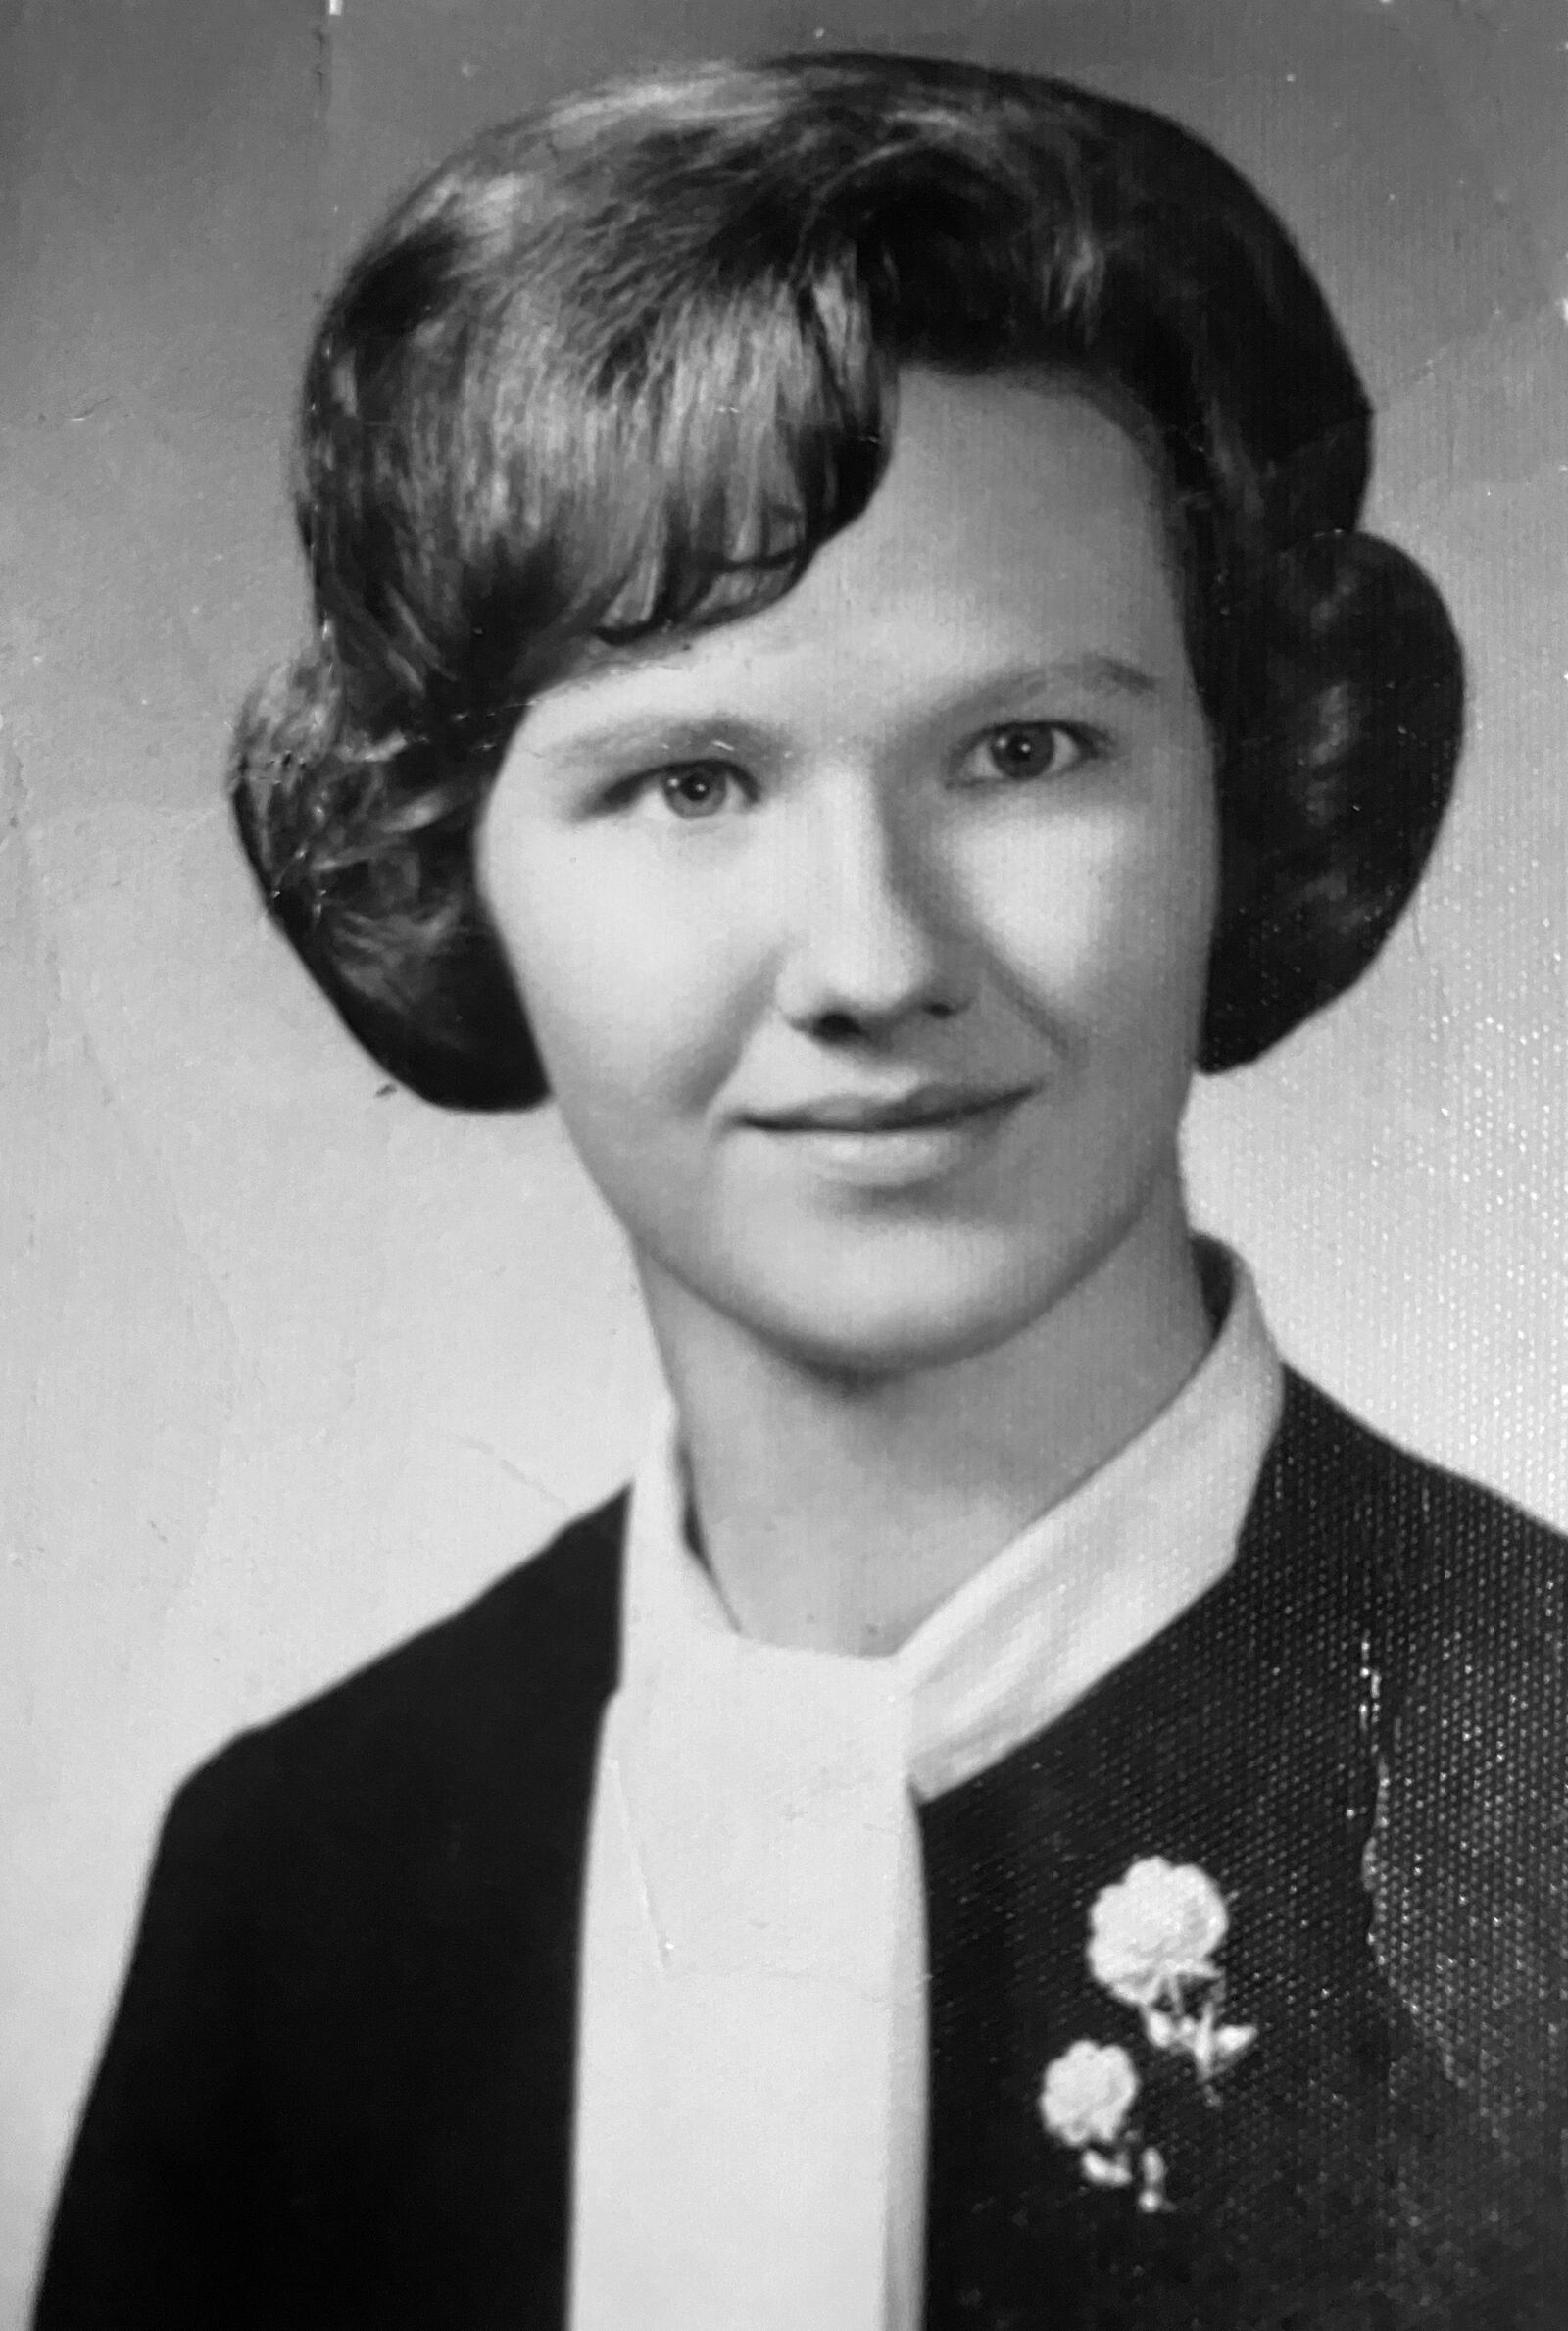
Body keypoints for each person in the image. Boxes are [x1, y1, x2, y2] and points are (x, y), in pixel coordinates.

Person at [33, 49, 1568, 2331]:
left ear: (1254, 785)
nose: (869, 959)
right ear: (438, 861)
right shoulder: (308, 1880)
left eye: (1023, 750)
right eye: (685, 781)